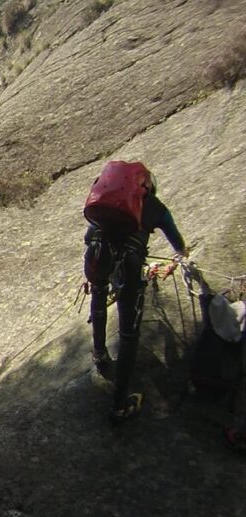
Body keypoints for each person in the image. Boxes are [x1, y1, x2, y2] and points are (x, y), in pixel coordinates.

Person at [83, 167, 188, 423]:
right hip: (128, 266)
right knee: (129, 334)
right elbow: (177, 241)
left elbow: (89, 235)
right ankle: (119, 405)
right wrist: (182, 255)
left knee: (98, 298)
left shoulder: (106, 203)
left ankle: (99, 353)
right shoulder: (154, 206)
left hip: (97, 256)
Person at [188, 272, 246, 451]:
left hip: (214, 378)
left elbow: (211, 304)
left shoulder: (233, 315)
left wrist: (201, 282)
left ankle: (240, 435)